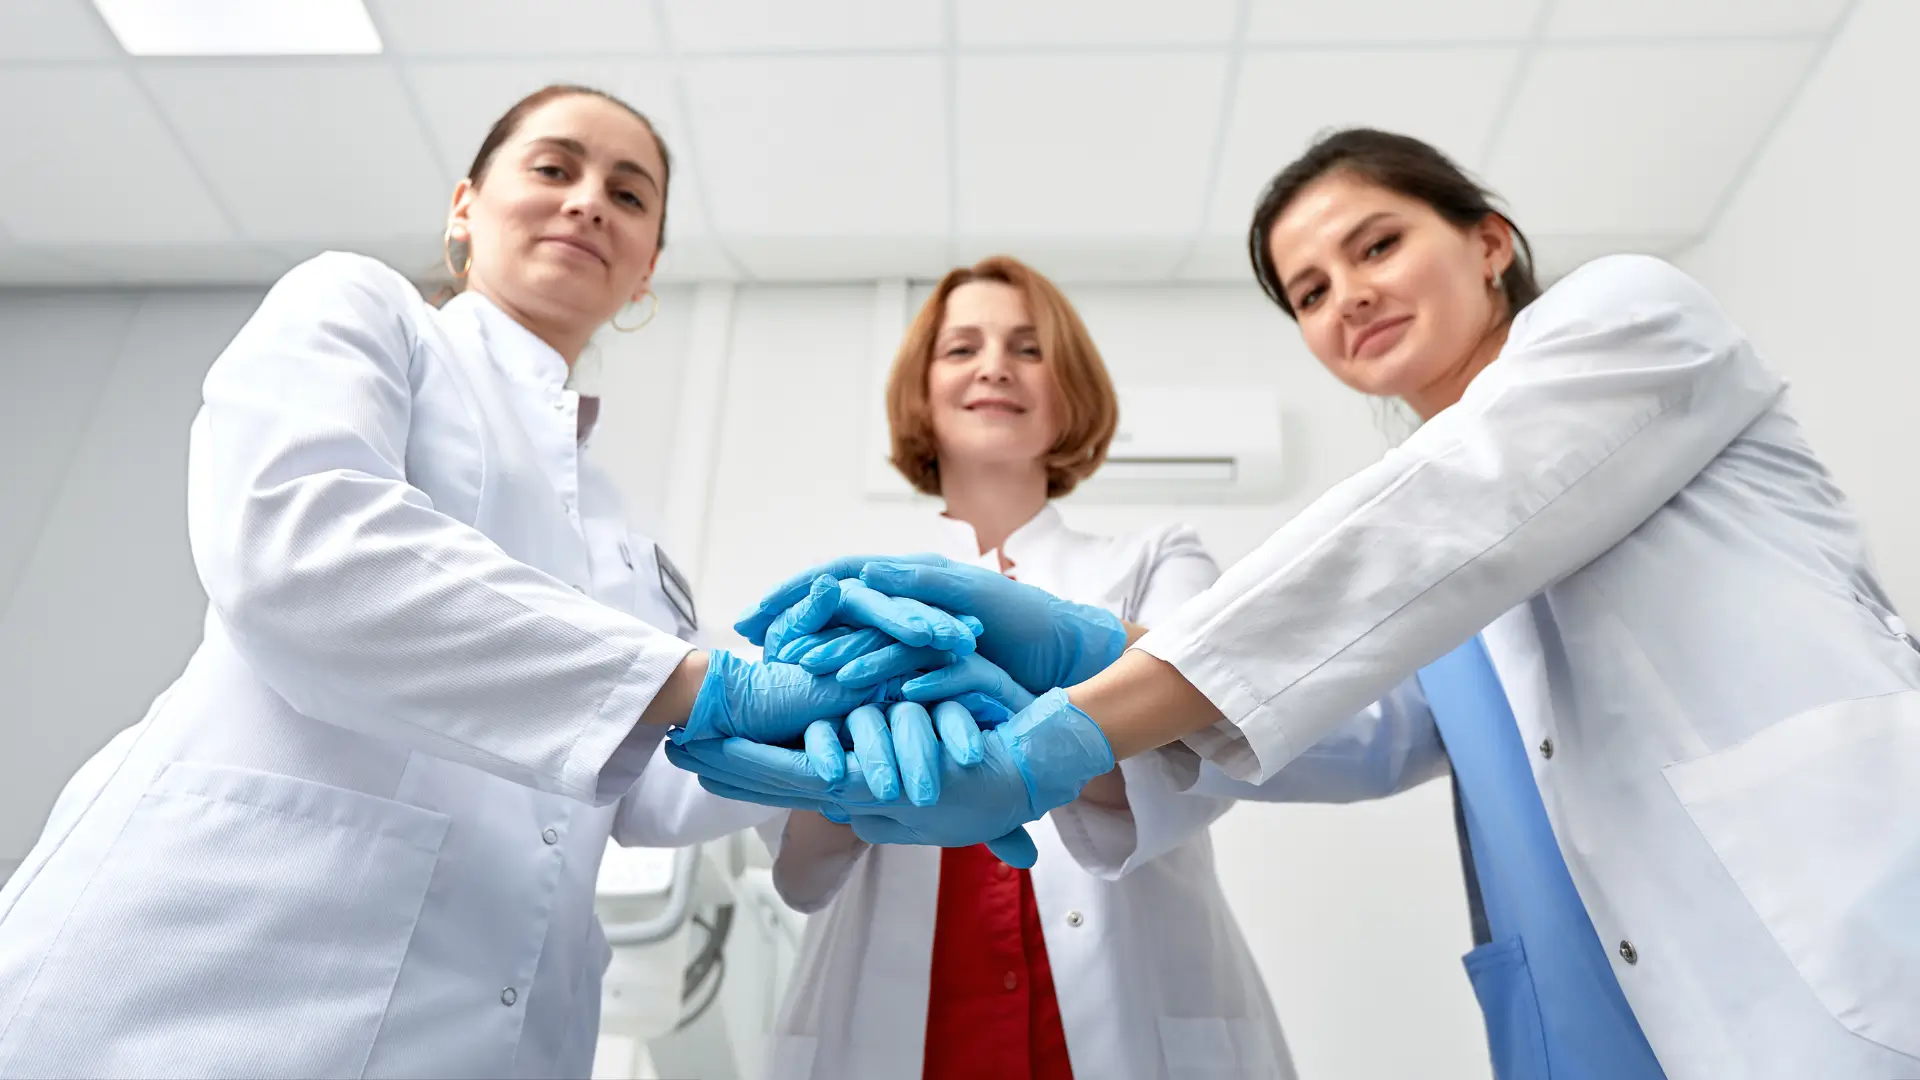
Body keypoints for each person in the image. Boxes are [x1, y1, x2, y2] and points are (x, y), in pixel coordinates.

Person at [700, 128, 1920, 1080]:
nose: (1348, 298)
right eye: (1310, 289)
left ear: (1490, 239)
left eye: (1378, 247)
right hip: (1585, 981)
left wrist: (1064, 715)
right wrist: (1085, 662)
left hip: (1806, 927)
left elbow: (1422, 537)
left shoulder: (1632, 316)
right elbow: (1333, 724)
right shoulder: (1407, 545)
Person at [0, 83, 979, 1079]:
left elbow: (642, 784)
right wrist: (707, 687)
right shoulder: (358, 310)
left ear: (645, 272)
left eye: (628, 196)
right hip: (212, 971)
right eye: (554, 169)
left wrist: (831, 760)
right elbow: (303, 552)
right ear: (465, 207)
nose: (589, 202)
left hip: (486, 1029)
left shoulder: (618, 530)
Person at [644, 255, 1296, 1079]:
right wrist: (839, 778)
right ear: (920, 393)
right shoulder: (846, 592)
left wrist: (1030, 754)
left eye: (1028, 348)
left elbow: (1202, 748)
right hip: (910, 1027)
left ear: (1071, 390)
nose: (994, 366)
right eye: (961, 349)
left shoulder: (1158, 559)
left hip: (1125, 1016)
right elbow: (802, 867)